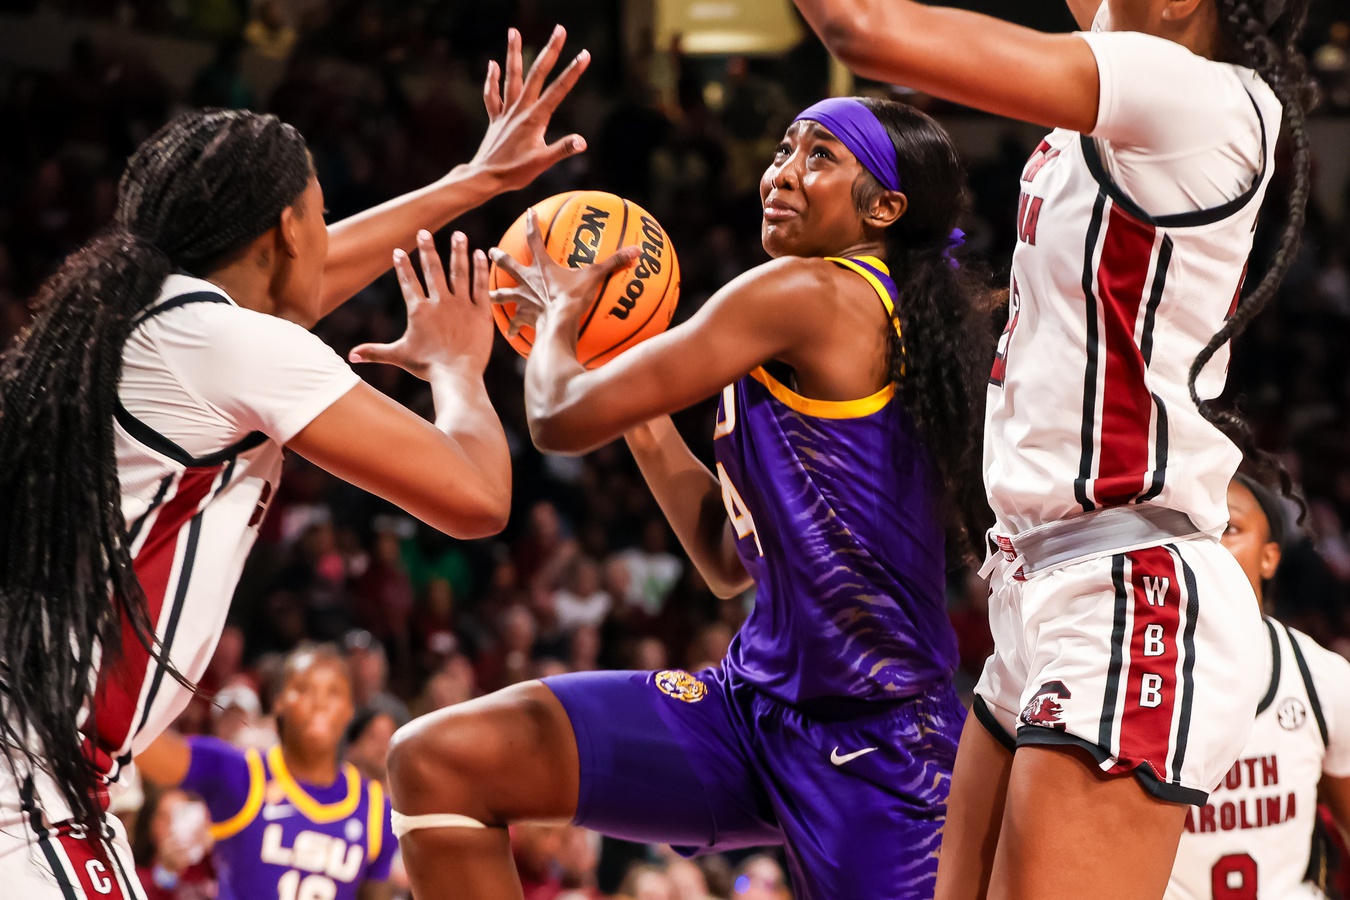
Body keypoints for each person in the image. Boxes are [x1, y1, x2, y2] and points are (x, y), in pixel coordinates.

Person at [0, 25, 590, 898]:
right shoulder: (226, 343)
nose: (329, 236)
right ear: (284, 228)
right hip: (28, 782)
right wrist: (458, 369)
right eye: (319, 215)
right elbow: (476, 497)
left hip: (47, 767)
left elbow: (302, 283)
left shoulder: (150, 323)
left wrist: (476, 183)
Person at [385, 95, 993, 899]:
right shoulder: (809, 314)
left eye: (820, 157)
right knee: (439, 760)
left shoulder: (810, 294)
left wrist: (562, 318)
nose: (783, 172)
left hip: (878, 746)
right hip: (751, 711)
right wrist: (636, 410)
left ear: (883, 208)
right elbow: (722, 561)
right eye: (784, 149)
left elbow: (559, 418)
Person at [789, 0, 1316, 896]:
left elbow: (864, 29)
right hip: (1046, 581)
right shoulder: (1142, 83)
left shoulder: (1186, 92)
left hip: (1130, 586)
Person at [1166, 474, 1350, 899]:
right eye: (1193, 529)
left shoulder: (1323, 679)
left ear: (1269, 558)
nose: (1208, 544)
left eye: (1229, 529)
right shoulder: (1124, 682)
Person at [138, 646, 396, 900]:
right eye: (304, 689)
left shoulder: (375, 809)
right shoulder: (240, 774)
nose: (319, 703)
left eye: (333, 692)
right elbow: (141, 743)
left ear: (349, 709)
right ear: (278, 701)